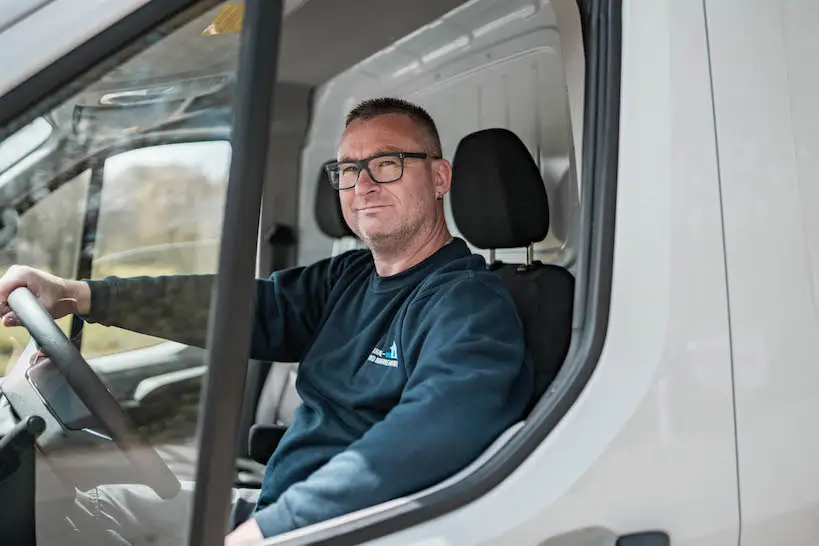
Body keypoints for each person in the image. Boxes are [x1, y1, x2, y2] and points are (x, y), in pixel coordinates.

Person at [0, 98, 533, 545]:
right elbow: (233, 308)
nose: (362, 184)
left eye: (387, 163)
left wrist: (271, 530)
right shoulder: (349, 277)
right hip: (280, 509)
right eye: (348, 169)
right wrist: (77, 295)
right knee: (81, 513)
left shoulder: (467, 302)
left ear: (439, 177)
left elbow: (438, 430)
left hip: (340, 529)